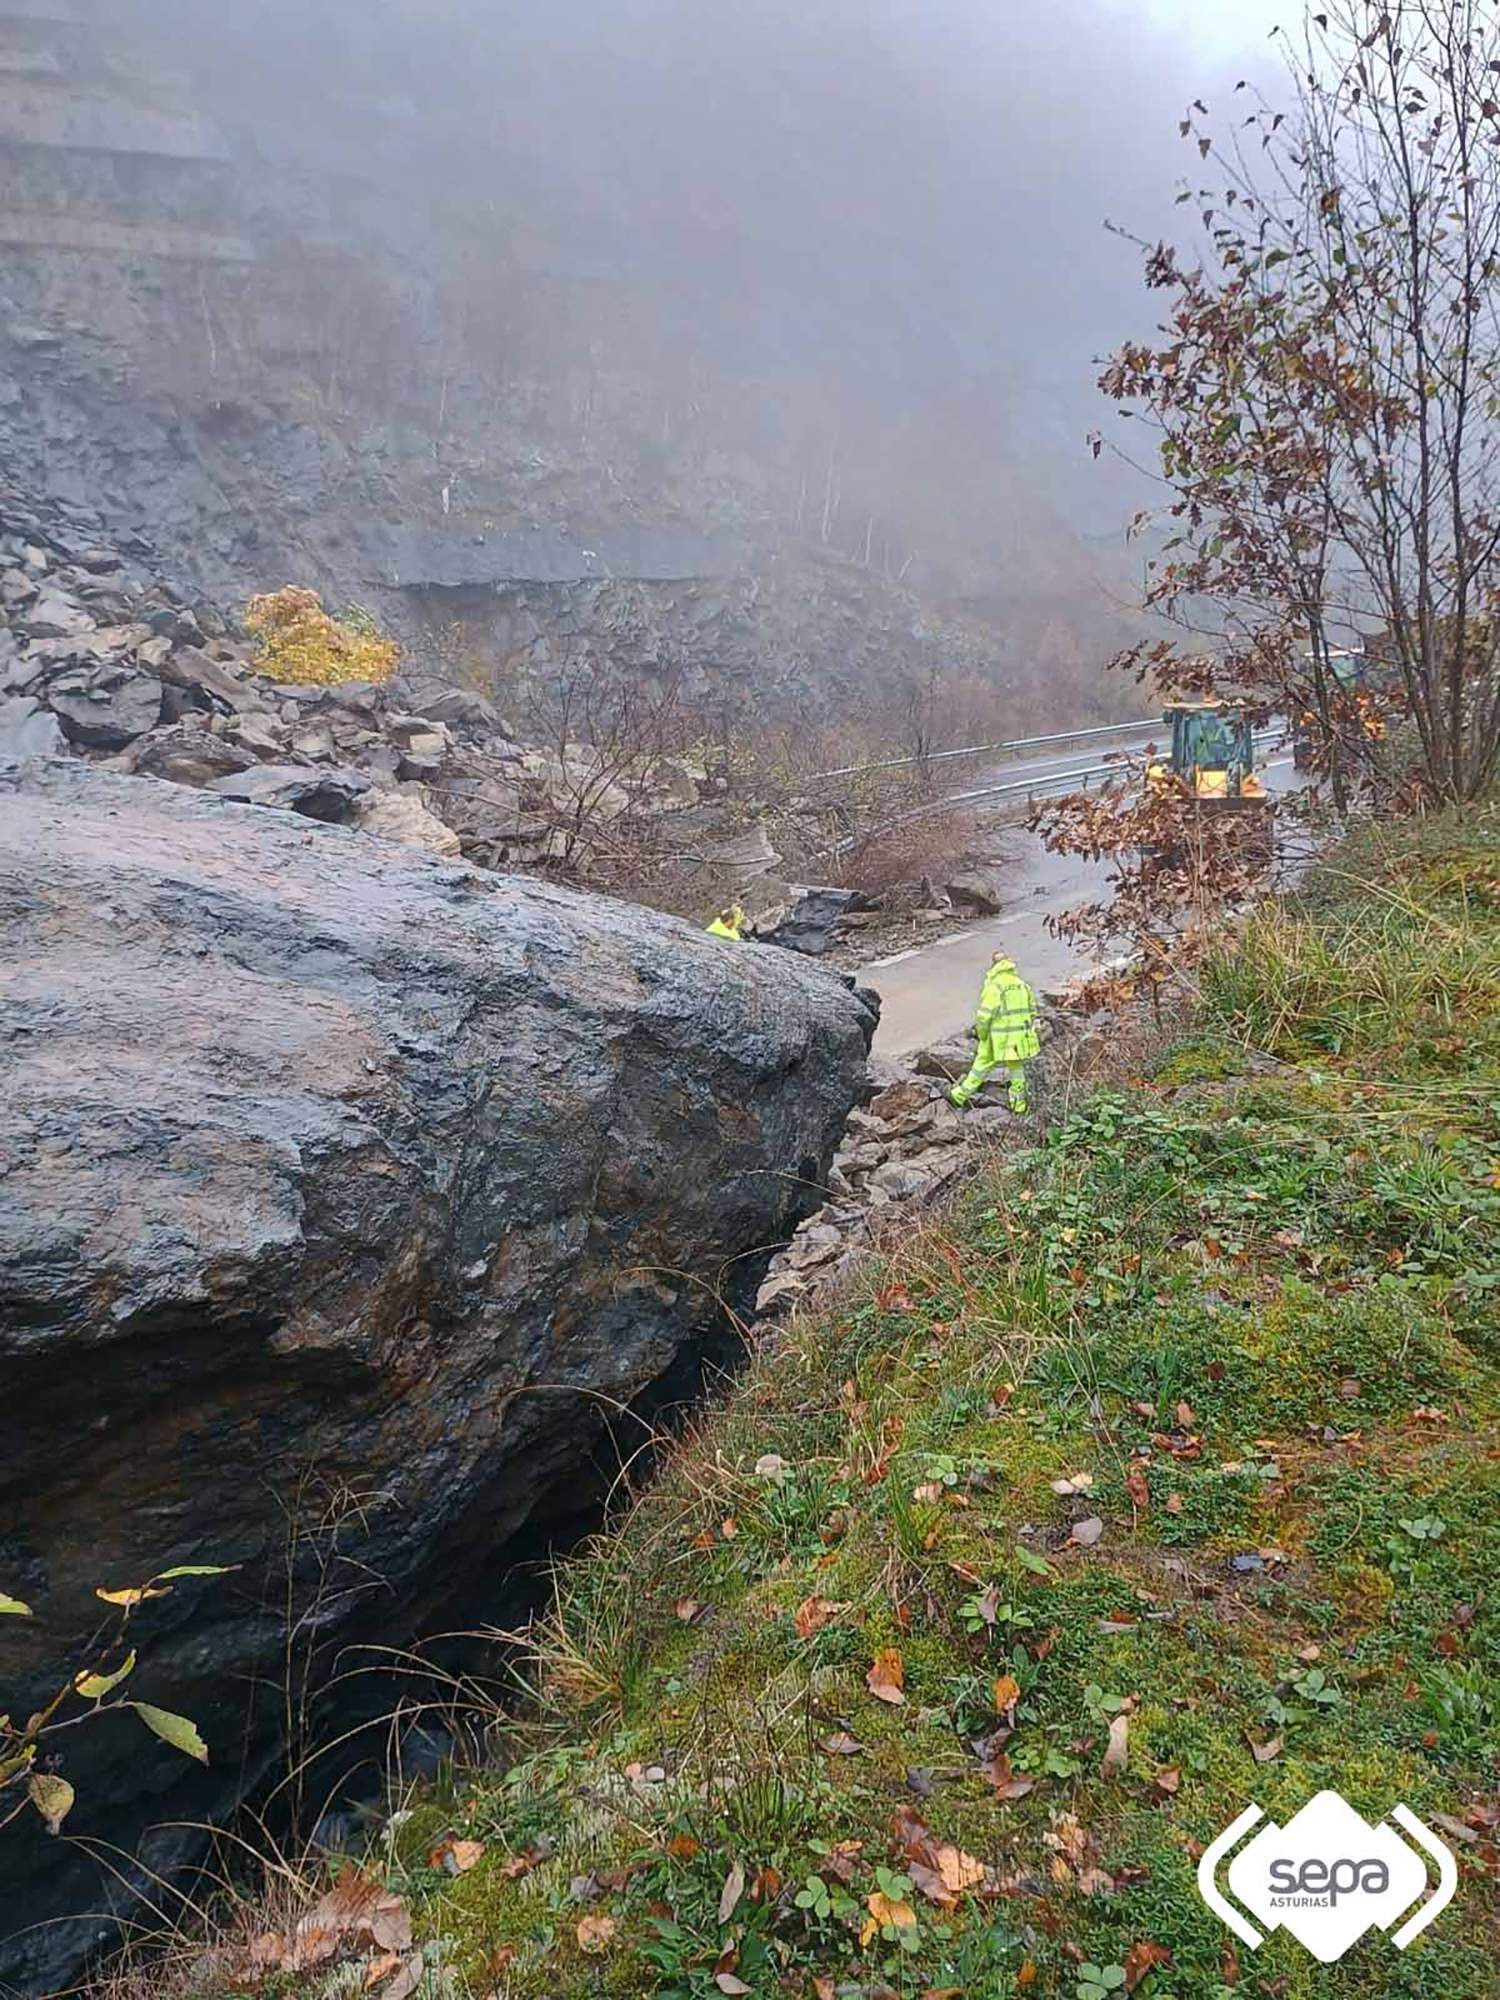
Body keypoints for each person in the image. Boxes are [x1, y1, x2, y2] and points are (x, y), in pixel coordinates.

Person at [949, 951, 1040, 1113]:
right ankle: (1019, 1105)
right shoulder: (1022, 985)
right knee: (1017, 1071)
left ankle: (960, 1095)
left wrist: (982, 1034)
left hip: (996, 1037)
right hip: (1019, 1038)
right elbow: (1032, 1011)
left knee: (981, 1065)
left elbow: (984, 1015)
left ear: (994, 965)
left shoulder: (995, 985)